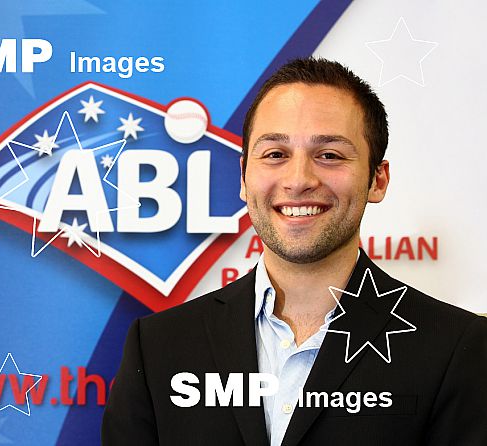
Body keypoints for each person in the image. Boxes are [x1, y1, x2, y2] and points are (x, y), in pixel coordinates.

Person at [102, 58, 487, 446]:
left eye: (329, 155)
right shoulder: (157, 347)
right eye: (275, 154)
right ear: (244, 177)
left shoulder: (457, 348)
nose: (299, 180)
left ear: (377, 179)